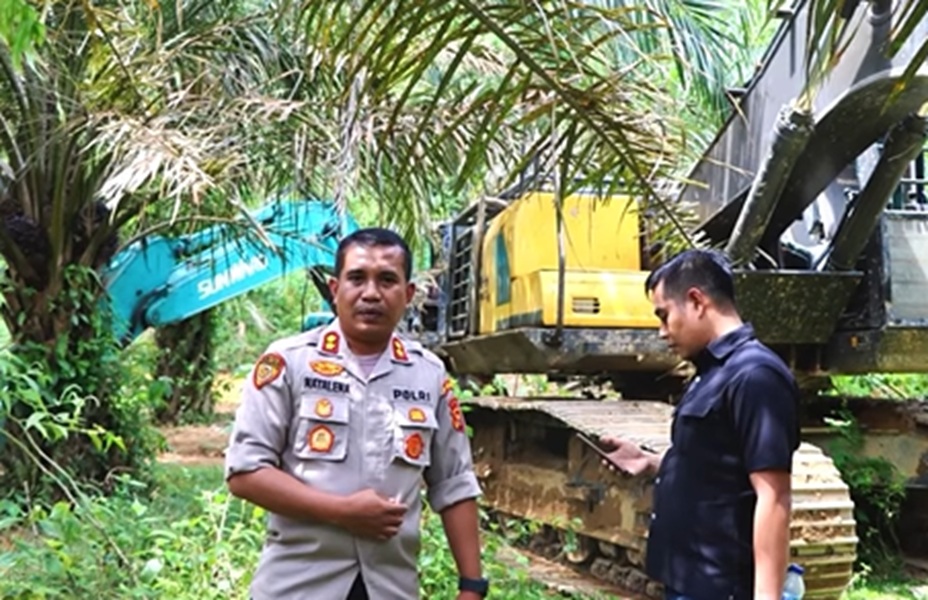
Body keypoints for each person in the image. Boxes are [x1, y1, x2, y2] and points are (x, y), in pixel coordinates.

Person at [224, 227, 488, 600]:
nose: (370, 293)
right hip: (297, 588)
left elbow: (454, 483)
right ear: (335, 289)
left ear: (408, 294)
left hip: (390, 588)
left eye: (387, 280)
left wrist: (472, 586)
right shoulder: (289, 363)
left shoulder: (428, 375)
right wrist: (340, 511)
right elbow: (246, 472)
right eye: (357, 278)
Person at [600, 249, 799, 600]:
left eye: (664, 316)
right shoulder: (710, 374)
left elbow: (775, 495)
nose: (662, 332)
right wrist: (650, 463)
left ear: (696, 301)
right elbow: (720, 465)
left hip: (721, 587)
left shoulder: (754, 375)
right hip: (688, 580)